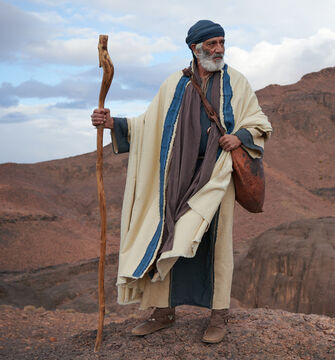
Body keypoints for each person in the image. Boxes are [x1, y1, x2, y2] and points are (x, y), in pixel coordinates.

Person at [91, 20, 272, 344]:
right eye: (212, 44)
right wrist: (111, 122)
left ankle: (218, 316)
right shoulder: (176, 83)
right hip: (175, 177)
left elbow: (258, 120)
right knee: (168, 236)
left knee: (216, 245)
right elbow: (149, 125)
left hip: (216, 176)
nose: (219, 49)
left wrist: (238, 136)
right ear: (194, 47)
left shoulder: (235, 82)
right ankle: (163, 311)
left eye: (221, 42)